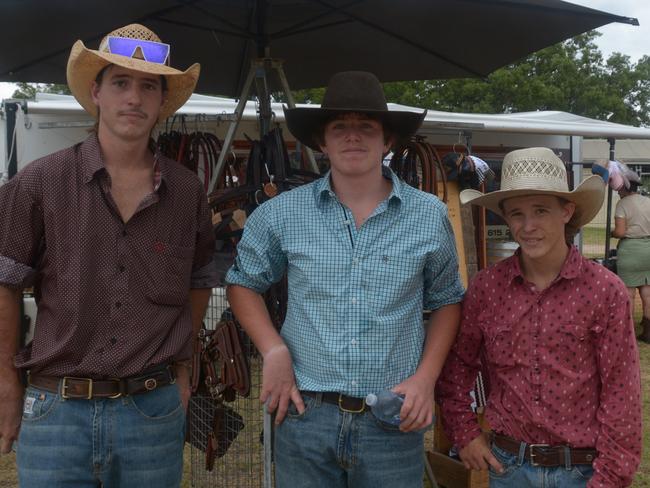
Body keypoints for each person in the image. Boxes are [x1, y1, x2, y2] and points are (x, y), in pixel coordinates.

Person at [0, 24, 218, 487]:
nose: (133, 98)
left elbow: (198, 281)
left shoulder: (186, 192)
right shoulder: (39, 183)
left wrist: (183, 367)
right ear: (96, 92)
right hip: (57, 410)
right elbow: (5, 282)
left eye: (147, 86)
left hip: (152, 411)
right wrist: (5, 384)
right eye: (120, 83)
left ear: (162, 101)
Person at [226, 71, 464, 487]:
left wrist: (426, 378)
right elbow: (243, 282)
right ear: (322, 141)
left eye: (366, 127)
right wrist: (273, 350)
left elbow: (447, 300)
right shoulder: (282, 214)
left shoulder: (428, 215)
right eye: (340, 127)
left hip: (393, 418)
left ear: (387, 141)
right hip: (305, 415)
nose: (353, 137)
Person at [436, 147, 642, 487]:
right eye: (516, 214)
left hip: (583, 470)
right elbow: (457, 367)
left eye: (541, 211)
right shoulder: (487, 288)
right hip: (508, 467)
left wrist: (610, 478)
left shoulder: (605, 291)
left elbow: (622, 396)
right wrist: (465, 432)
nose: (528, 226)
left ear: (567, 211)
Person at [612, 179, 650, 342]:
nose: (618, 192)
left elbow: (620, 232)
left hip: (630, 251)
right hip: (648, 248)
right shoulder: (648, 201)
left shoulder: (622, 204)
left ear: (625, 189)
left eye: (619, 189)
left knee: (629, 293)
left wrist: (612, 233)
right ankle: (648, 330)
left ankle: (629, 331)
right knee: (647, 292)